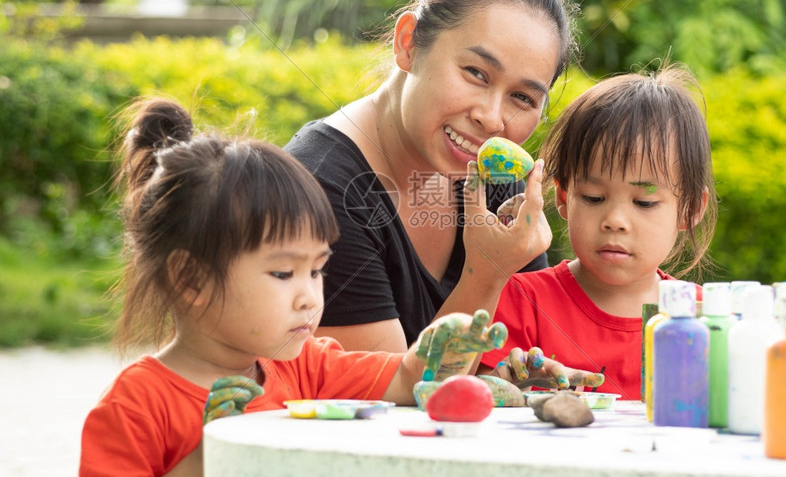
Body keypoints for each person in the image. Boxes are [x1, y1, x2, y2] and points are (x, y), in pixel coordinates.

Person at [80, 98, 601, 476]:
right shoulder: (135, 408)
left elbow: (403, 379)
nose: (310, 296)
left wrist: (442, 348)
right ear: (189, 279)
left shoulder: (307, 366)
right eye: (283, 274)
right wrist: (208, 456)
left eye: (317, 270)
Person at [285, 0, 577, 352]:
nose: (493, 119)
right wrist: (486, 273)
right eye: (476, 73)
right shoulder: (320, 189)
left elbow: (524, 356)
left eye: (523, 99)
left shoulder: (493, 176)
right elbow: (387, 397)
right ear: (408, 44)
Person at [479, 64, 718, 401]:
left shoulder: (701, 316)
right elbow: (477, 396)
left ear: (691, 208)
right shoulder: (522, 300)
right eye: (593, 198)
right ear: (564, 198)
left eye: (644, 202)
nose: (615, 220)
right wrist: (509, 382)